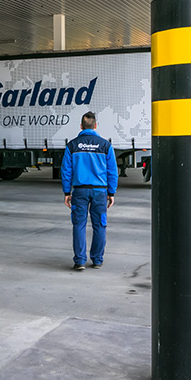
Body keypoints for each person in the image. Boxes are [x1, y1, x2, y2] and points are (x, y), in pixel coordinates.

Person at [61, 111, 119, 271]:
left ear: (81, 126)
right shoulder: (105, 145)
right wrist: (111, 193)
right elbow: (112, 171)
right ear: (95, 126)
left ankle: (80, 261)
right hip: (100, 192)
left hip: (79, 192)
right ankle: (97, 260)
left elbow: (66, 170)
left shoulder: (72, 146)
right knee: (100, 225)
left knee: (79, 225)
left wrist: (67, 192)